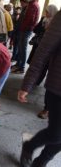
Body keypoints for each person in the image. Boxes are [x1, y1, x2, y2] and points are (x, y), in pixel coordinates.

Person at [18, 10, 61, 167]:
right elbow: (43, 51)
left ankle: (40, 163)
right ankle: (29, 146)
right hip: (58, 87)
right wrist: (27, 84)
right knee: (56, 134)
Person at [26, 4, 58, 119]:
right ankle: (47, 108)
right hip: (52, 55)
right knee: (52, 83)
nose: (46, 13)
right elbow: (37, 29)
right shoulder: (56, 19)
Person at [12, 0, 40, 74]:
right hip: (24, 29)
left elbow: (30, 20)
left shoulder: (34, 5)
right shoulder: (31, 4)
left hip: (26, 30)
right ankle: (18, 64)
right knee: (20, 48)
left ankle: (21, 67)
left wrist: (25, 27)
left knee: (22, 49)